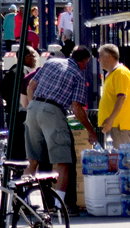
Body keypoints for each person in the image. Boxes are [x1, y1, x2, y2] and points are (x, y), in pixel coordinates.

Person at [23, 42, 94, 211]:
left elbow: (31, 86)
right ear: (84, 61)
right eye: (86, 63)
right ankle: (60, 205)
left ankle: (23, 200)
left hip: (33, 109)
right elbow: (77, 108)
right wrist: (91, 130)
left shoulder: (51, 62)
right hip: (53, 111)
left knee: (33, 160)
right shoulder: (77, 75)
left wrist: (34, 106)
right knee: (63, 161)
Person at [92, 44, 130, 150]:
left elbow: (121, 98)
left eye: (100, 56)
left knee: (121, 159)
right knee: (115, 159)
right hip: (113, 125)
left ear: (109, 57)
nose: (98, 60)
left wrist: (111, 119)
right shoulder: (112, 74)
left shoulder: (120, 72)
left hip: (119, 126)